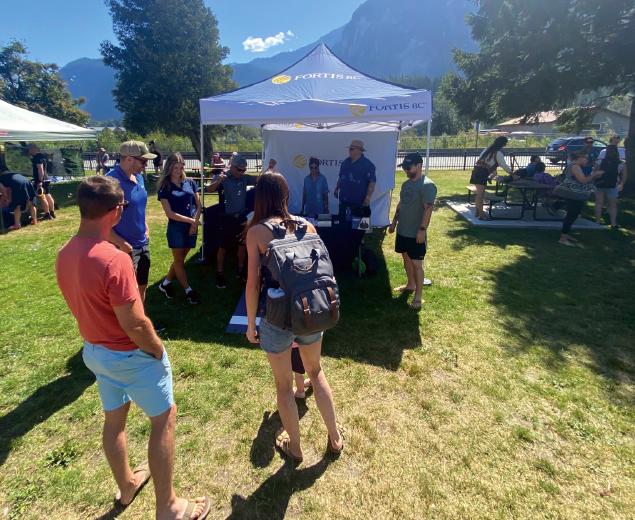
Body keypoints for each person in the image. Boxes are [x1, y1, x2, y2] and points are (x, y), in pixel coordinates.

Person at [55, 176, 211, 519]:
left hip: (96, 353)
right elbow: (135, 323)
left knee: (114, 421)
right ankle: (168, 506)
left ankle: (126, 486)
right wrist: (157, 349)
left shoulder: (65, 253)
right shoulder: (114, 260)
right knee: (164, 419)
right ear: (116, 211)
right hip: (130, 355)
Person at [245, 173, 343, 465]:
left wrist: (251, 324)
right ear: (285, 195)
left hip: (277, 318)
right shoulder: (306, 224)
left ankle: (296, 448)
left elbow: (252, 283)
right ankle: (335, 439)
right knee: (316, 373)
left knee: (284, 386)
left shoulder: (257, 232)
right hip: (311, 310)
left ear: (260, 197)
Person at [107, 141, 156, 302]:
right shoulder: (110, 183)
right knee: (126, 292)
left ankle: (141, 319)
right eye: (143, 161)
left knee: (142, 285)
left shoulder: (139, 178)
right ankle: (128, 325)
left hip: (142, 243)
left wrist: (145, 227)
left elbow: (138, 207)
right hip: (123, 248)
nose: (146, 165)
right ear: (128, 159)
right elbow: (100, 223)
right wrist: (121, 244)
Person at [388, 153, 437, 310]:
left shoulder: (427, 185)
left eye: (408, 167)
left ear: (419, 165)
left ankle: (418, 297)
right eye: (404, 167)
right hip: (403, 231)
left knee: (417, 264)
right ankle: (410, 285)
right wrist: (394, 222)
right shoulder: (406, 184)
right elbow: (401, 204)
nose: (406, 170)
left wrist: (422, 230)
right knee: (406, 258)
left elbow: (428, 209)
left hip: (416, 233)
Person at [157, 153, 202, 304]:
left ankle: (165, 284)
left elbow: (198, 205)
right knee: (179, 260)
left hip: (192, 226)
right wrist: (191, 221)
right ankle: (188, 290)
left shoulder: (190, 182)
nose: (178, 170)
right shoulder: (165, 187)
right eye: (175, 167)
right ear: (169, 167)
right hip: (176, 228)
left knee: (180, 259)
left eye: (181, 166)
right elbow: (169, 213)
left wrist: (194, 224)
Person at [206, 154, 256, 288]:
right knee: (223, 247)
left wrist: (270, 169)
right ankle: (220, 274)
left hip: (241, 218)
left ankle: (240, 271)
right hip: (227, 218)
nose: (242, 172)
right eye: (239, 170)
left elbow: (261, 179)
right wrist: (218, 182)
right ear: (232, 167)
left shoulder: (245, 178)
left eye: (244, 170)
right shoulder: (224, 177)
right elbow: (208, 189)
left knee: (242, 245)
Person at [557, 151, 604, 247]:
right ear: (579, 158)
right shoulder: (575, 167)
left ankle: (566, 234)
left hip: (575, 194)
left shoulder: (576, 166)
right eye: (585, 158)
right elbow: (583, 180)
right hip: (573, 194)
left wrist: (594, 174)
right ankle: (563, 238)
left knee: (574, 214)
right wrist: (594, 175)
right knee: (571, 214)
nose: (586, 160)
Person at [469, 136, 512, 220]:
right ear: (503, 144)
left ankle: (478, 212)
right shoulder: (498, 153)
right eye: (505, 143)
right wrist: (512, 174)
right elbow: (504, 165)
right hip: (481, 173)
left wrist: (492, 175)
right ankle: (482, 215)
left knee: (479, 194)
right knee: (480, 195)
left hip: (476, 171)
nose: (505, 145)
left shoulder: (487, 150)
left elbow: (488, 163)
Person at [334, 139, 376, 219]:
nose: (349, 151)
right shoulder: (345, 162)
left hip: (359, 202)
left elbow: (372, 182)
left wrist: (368, 198)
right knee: (343, 224)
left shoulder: (368, 164)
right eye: (349, 149)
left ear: (360, 151)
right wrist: (336, 189)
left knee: (359, 228)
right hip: (344, 201)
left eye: (351, 149)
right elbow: (341, 177)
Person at [594, 144, 627, 229]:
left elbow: (595, 172)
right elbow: (624, 175)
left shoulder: (600, 161)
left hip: (600, 184)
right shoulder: (621, 163)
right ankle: (613, 223)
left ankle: (597, 221)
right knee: (613, 205)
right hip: (613, 185)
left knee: (599, 203)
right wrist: (622, 184)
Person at [28, 144, 56, 220]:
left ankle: (47, 214)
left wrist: (40, 181)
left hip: (41, 180)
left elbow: (40, 169)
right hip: (47, 178)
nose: (29, 151)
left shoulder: (37, 158)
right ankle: (52, 212)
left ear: (34, 149)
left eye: (29, 149)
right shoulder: (42, 156)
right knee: (48, 195)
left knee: (42, 197)